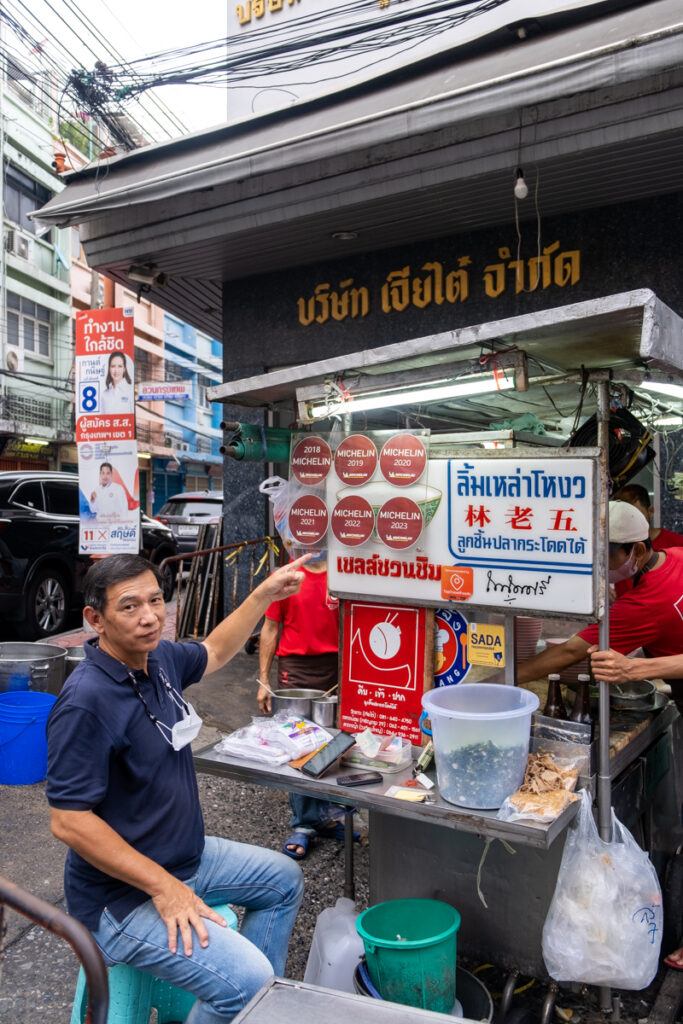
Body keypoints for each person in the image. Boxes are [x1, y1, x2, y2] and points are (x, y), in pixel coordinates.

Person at [47, 552, 308, 1023]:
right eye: (129, 607)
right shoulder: (86, 701)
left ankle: (247, 1007)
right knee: (247, 981)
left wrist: (262, 594)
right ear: (95, 619)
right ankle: (246, 995)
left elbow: (214, 652)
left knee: (282, 879)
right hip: (122, 898)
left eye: (155, 600)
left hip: (186, 859)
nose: (149, 617)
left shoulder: (158, 659)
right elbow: (69, 820)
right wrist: (165, 888)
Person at [516, 501, 683, 701]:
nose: (599, 565)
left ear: (638, 550)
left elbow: (570, 651)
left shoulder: (643, 604)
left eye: (606, 556)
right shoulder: (677, 554)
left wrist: (503, 679)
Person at [256, 550, 347, 861]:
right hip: (295, 667)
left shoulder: (343, 572)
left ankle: (331, 815)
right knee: (300, 746)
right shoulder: (285, 577)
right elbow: (269, 628)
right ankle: (305, 823)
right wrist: (263, 679)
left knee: (337, 742)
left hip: (338, 664)